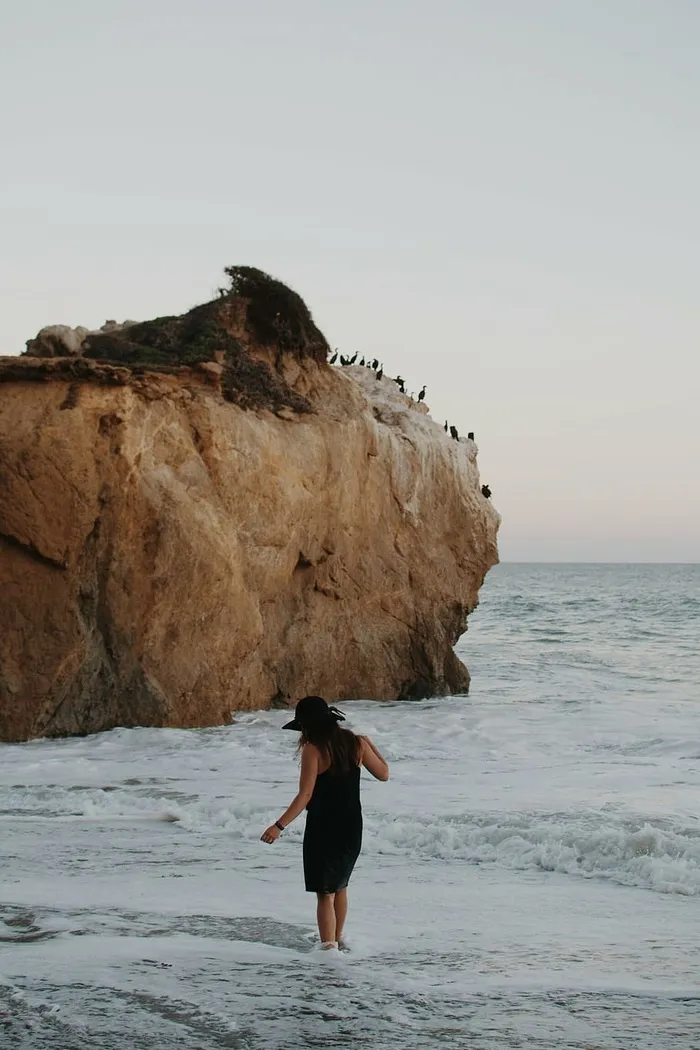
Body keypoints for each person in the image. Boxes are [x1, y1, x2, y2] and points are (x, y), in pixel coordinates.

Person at [260, 695, 389, 951]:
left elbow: (305, 795)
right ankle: (337, 941)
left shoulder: (314, 749)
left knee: (325, 893)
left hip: (323, 827)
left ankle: (328, 950)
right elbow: (384, 774)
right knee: (341, 886)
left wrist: (279, 826)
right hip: (352, 827)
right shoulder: (357, 744)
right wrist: (370, 744)